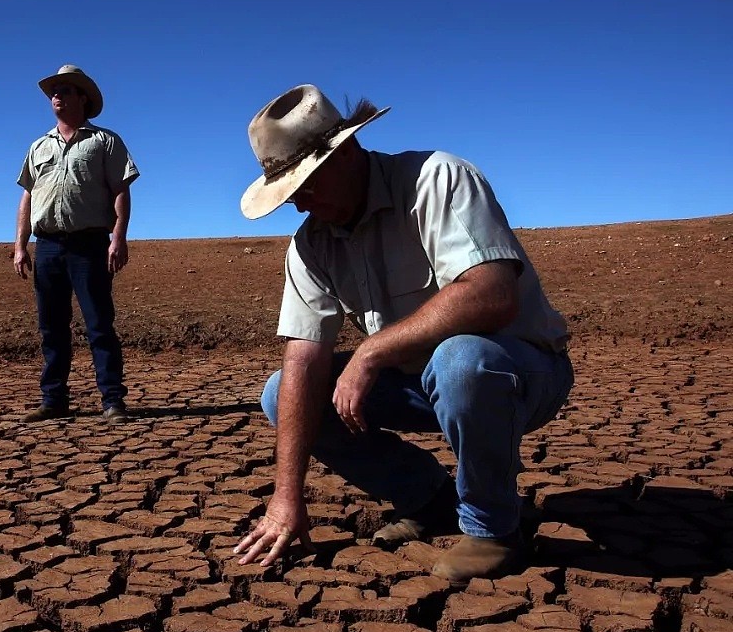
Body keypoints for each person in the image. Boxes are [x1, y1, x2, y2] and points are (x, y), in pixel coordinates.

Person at [232, 84, 573, 585]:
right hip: (419, 385)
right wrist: (286, 498)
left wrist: (370, 352)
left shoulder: (438, 179)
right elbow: (303, 357)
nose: (299, 205)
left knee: (462, 361)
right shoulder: (312, 245)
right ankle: (431, 500)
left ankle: (494, 529)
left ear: (346, 151)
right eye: (289, 192)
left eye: (305, 184)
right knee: (282, 392)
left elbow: (493, 293)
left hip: (517, 373)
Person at [13, 64, 139, 424]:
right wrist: (21, 245)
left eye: (65, 90)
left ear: (82, 98)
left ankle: (112, 400)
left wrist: (119, 237)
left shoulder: (105, 141)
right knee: (51, 326)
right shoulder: (38, 146)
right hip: (47, 246)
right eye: (54, 90)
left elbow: (121, 190)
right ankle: (53, 399)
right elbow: (27, 198)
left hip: (89, 245)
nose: (57, 95)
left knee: (99, 324)